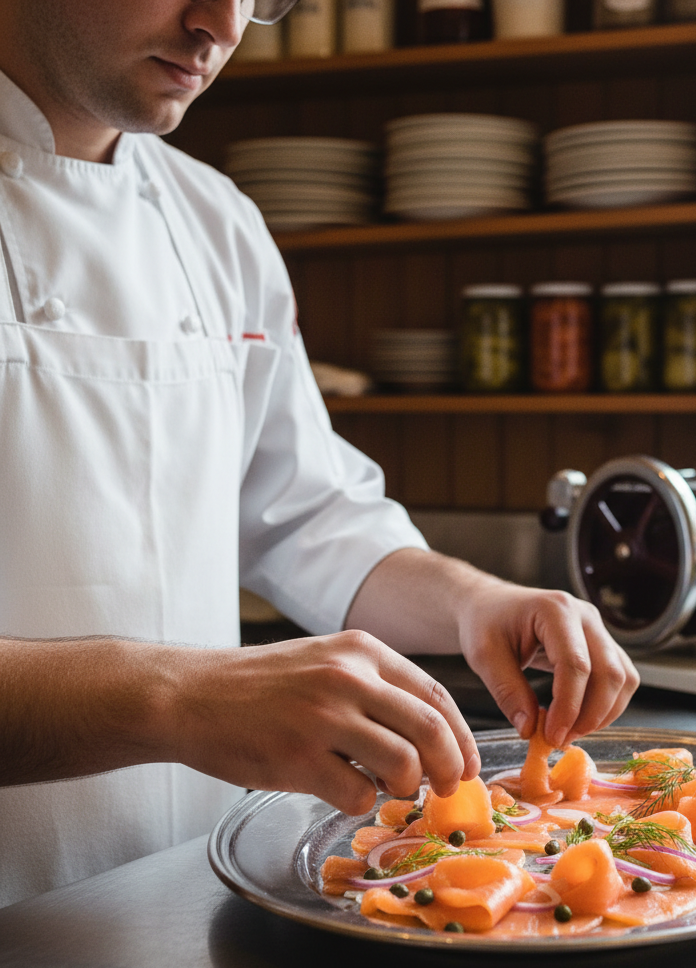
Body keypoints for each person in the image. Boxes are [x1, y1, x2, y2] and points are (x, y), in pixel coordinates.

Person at [0, 0, 639, 908]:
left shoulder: (214, 221)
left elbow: (304, 513)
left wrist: (476, 602)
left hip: (188, 919)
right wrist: (179, 697)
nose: (220, 22)